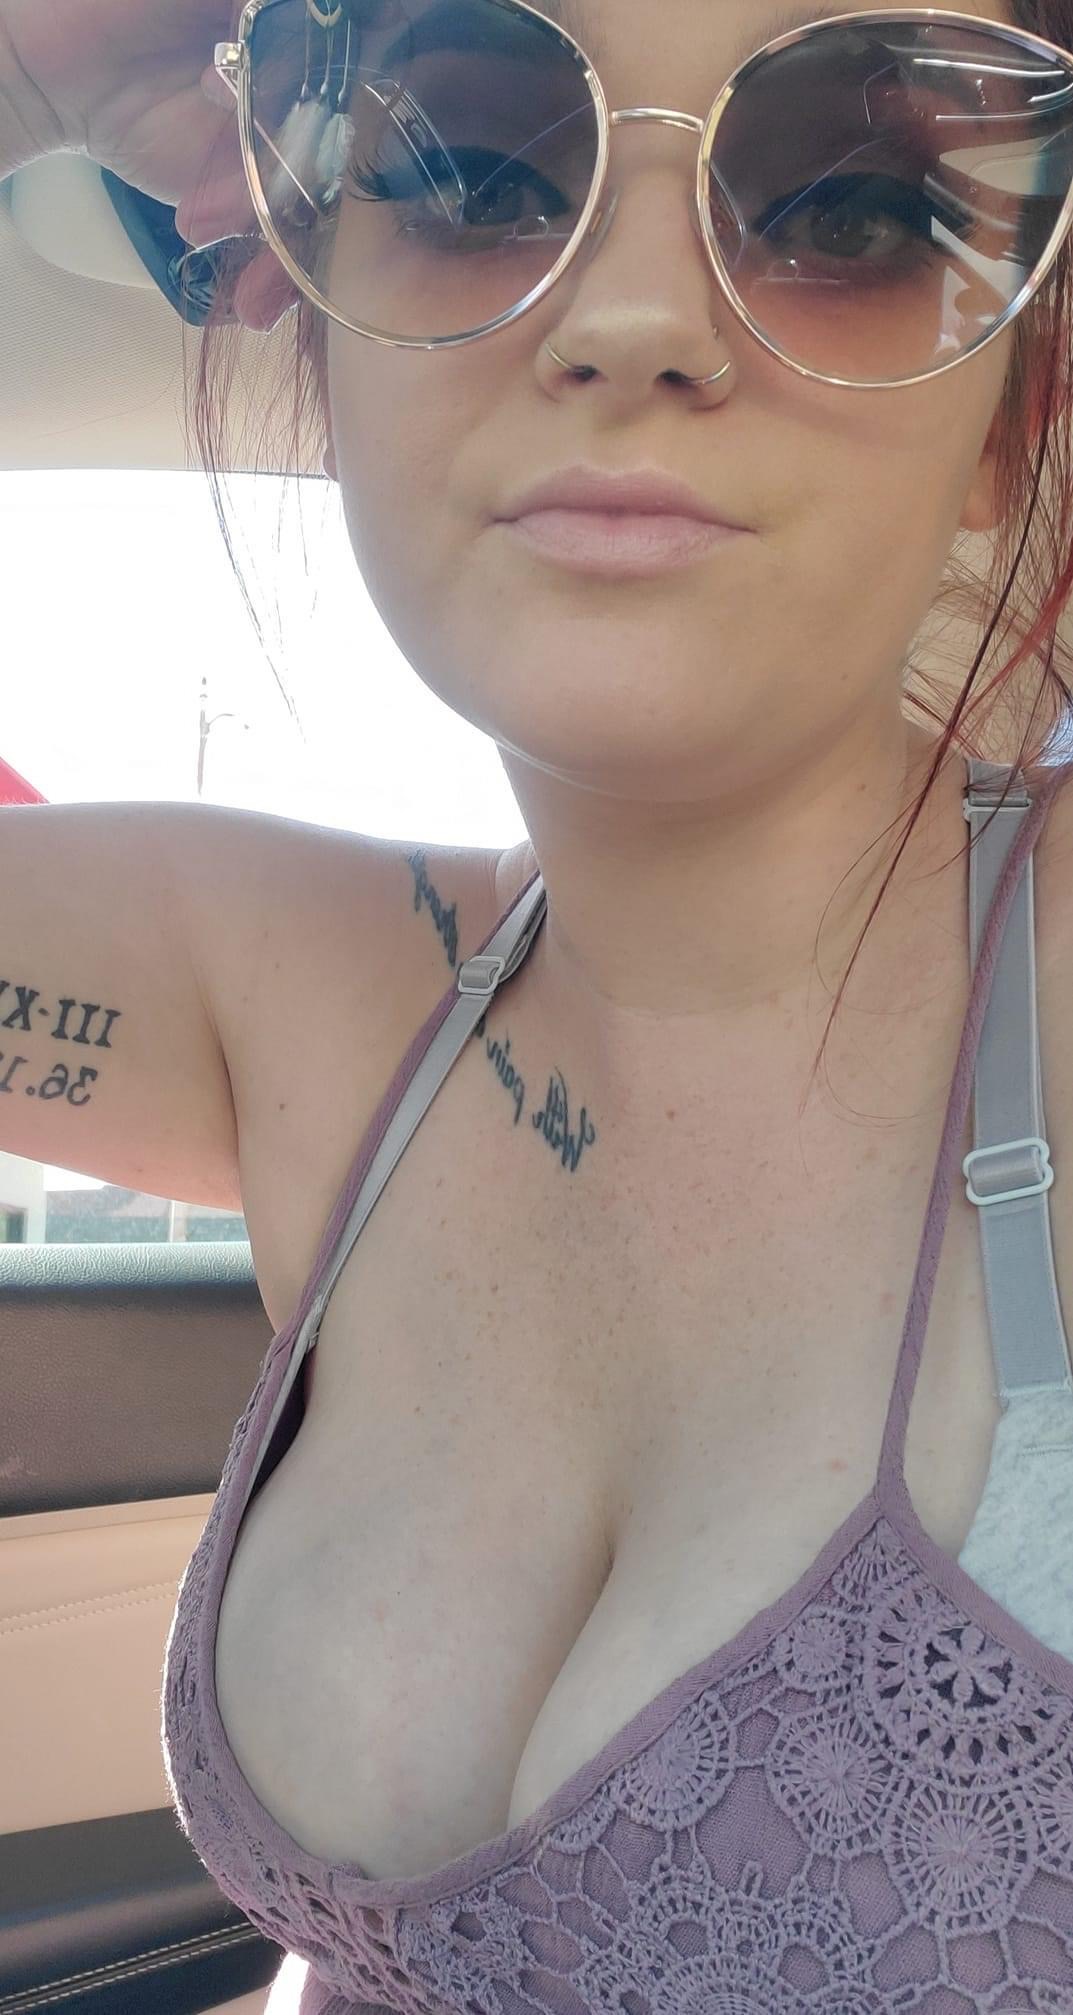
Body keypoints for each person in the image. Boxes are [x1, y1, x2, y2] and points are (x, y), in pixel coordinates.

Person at [5, 2, 1073, 2009]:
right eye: (475, 174)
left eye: (848, 209)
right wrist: (37, 74)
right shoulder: (297, 985)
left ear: (1005, 433)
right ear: (317, 337)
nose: (638, 318)